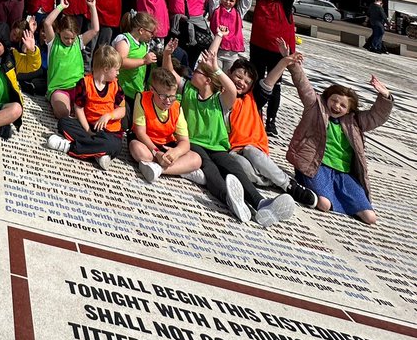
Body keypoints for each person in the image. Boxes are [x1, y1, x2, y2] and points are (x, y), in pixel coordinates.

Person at [163, 38, 295, 227]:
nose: (194, 71)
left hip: (219, 146)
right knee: (211, 170)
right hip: (193, 143)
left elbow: (231, 87)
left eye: (199, 71)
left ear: (208, 79)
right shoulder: (188, 89)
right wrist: (167, 54)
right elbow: (170, 73)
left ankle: (261, 202)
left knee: (234, 168)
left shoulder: (221, 98)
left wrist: (215, 67)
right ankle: (231, 199)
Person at [286, 59, 393, 225]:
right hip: (317, 166)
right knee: (323, 204)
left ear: (349, 110)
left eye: (342, 105)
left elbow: (375, 116)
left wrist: (385, 96)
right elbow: (304, 86)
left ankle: (339, 197)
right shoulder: (316, 107)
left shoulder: (354, 121)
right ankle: (301, 182)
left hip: (343, 173)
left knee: (370, 218)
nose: (336, 106)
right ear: (327, 97)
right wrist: (293, 64)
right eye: (334, 100)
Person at [226, 53, 318, 208]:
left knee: (250, 151)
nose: (241, 82)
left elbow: (269, 82)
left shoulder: (252, 98)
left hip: (254, 147)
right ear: (229, 73)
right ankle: (271, 180)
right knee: (240, 165)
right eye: (238, 76)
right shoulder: (220, 95)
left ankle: (289, 185)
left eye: (247, 82)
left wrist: (284, 62)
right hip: (233, 150)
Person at [46, 44, 125, 170]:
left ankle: (69, 147)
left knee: (114, 145)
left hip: (109, 131)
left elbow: (122, 110)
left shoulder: (115, 86)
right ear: (105, 68)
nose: (118, 73)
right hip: (88, 126)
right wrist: (88, 129)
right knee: (64, 123)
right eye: (116, 70)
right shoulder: (85, 83)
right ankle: (98, 153)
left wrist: (109, 116)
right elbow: (79, 108)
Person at [249, 0, 296, 137]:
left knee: (274, 86)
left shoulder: (285, 3)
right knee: (256, 81)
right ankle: (255, 114)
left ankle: (271, 120)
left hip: (277, 51)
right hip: (258, 47)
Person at [129, 67, 204, 182]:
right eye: (163, 96)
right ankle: (181, 169)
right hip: (147, 144)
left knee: (196, 159)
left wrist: (176, 152)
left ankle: (159, 169)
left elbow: (185, 141)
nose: (168, 101)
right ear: (152, 90)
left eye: (172, 96)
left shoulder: (176, 107)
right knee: (137, 149)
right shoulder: (142, 98)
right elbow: (140, 132)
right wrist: (156, 152)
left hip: (167, 145)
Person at [40, 0, 101, 120]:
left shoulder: (79, 42)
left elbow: (95, 29)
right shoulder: (53, 41)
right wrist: (61, 6)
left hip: (78, 87)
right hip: (59, 89)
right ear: (59, 32)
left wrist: (93, 7)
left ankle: (76, 108)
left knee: (93, 111)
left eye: (72, 38)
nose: (69, 41)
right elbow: (47, 23)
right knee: (63, 112)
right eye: (66, 37)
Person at [114, 10, 159, 107]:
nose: (153, 35)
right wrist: (144, 60)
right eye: (151, 32)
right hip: (122, 91)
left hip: (136, 91)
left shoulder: (144, 44)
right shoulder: (124, 40)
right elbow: (120, 62)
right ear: (141, 30)